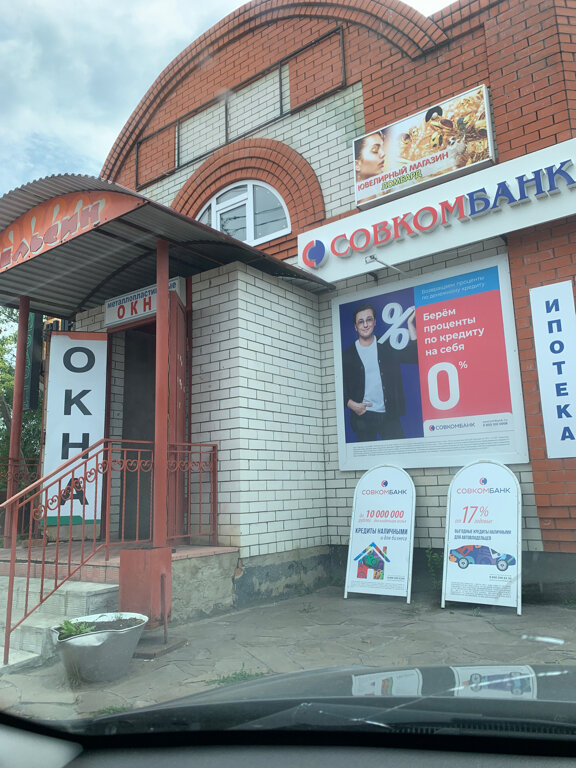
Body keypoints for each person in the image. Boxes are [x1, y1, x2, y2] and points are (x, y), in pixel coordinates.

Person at [342, 302, 417, 442]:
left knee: (399, 451)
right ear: (355, 327)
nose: (365, 325)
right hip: (363, 416)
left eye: (369, 320)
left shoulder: (387, 347)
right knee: (366, 456)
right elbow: (336, 387)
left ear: (375, 322)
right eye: (361, 322)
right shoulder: (347, 356)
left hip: (389, 415)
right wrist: (352, 404)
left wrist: (410, 323)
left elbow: (414, 356)